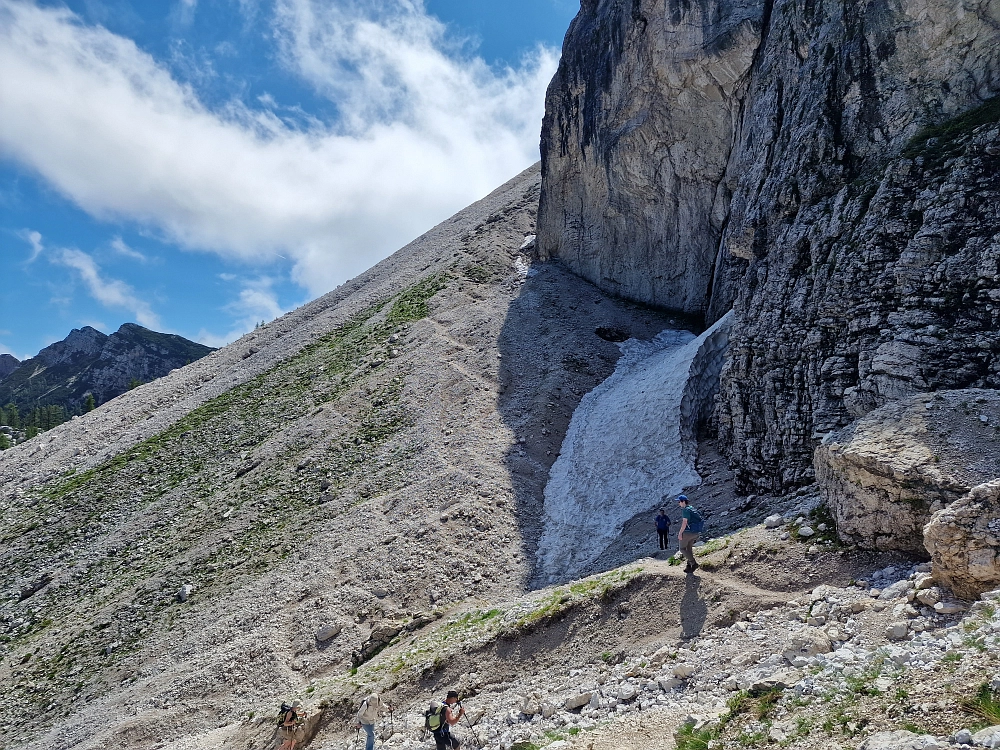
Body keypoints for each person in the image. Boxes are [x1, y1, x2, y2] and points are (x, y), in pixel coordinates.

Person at [676, 495, 703, 574]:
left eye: (679, 501)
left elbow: (684, 522)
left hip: (688, 532)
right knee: (688, 548)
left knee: (682, 549)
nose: (678, 503)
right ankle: (689, 566)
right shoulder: (691, 508)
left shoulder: (685, 510)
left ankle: (693, 563)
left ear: (683, 502)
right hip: (695, 532)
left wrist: (680, 533)